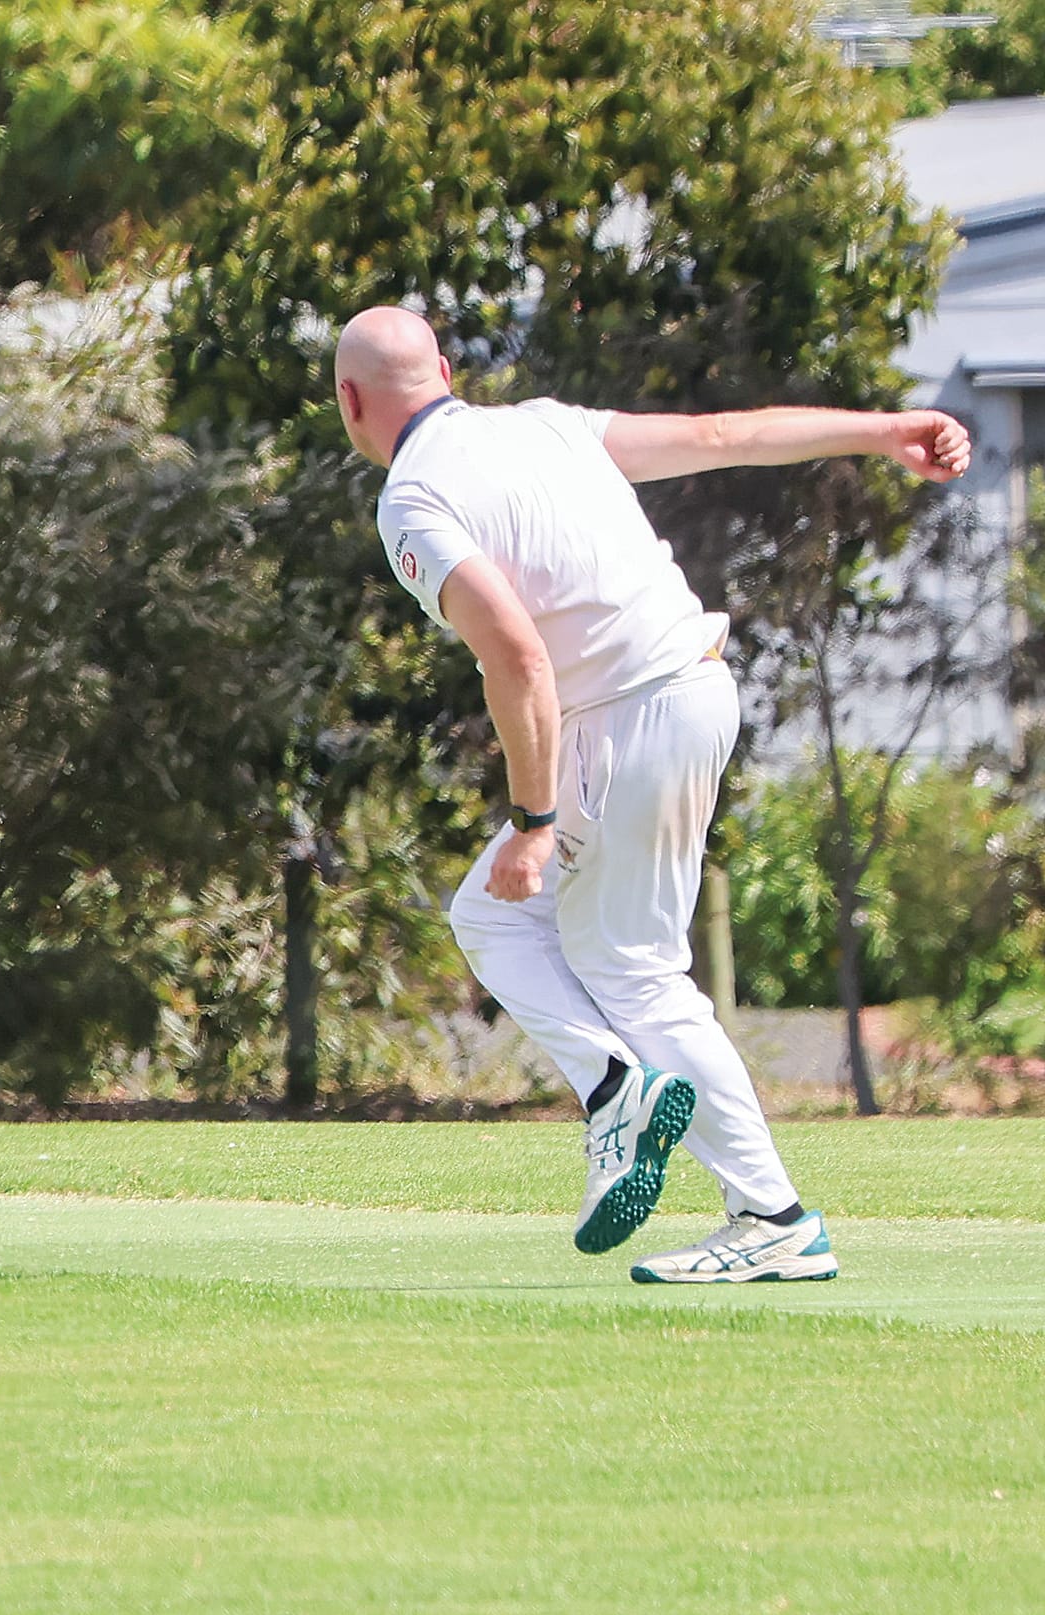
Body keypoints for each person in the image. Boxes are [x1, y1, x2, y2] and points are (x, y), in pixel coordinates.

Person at [334, 308, 972, 1283]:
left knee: (625, 966)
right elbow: (722, 436)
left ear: (349, 402)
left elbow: (512, 654)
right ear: (448, 371)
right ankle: (615, 1091)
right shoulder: (541, 423)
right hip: (692, 689)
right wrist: (882, 429)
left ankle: (763, 1209)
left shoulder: (412, 498)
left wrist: (532, 820)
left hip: (626, 716)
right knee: (497, 919)